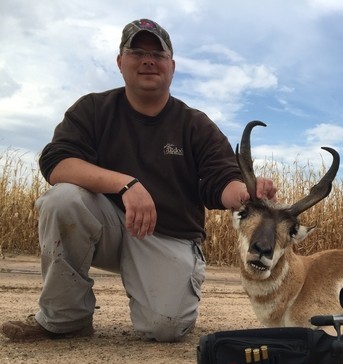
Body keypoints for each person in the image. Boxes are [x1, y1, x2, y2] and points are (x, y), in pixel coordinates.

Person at [0, 18, 276, 342]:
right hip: (109, 229)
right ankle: (65, 319)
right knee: (63, 201)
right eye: (137, 51)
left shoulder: (194, 124)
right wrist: (125, 184)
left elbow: (221, 181)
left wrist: (246, 192)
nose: (148, 60)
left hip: (168, 235)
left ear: (172, 66)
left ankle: (162, 286)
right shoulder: (93, 109)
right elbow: (57, 163)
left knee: (166, 328)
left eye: (157, 55)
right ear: (120, 62)